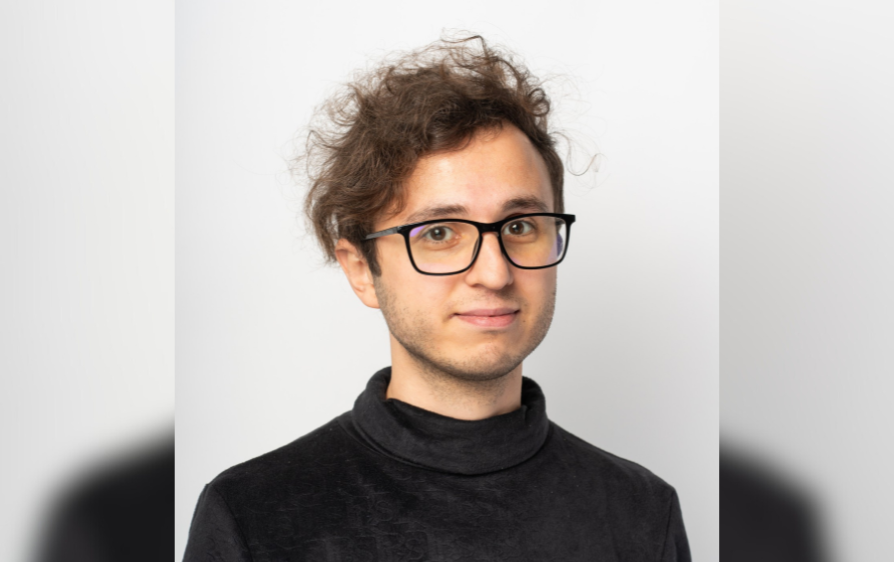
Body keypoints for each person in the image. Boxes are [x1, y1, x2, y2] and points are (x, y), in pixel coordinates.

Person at [183, 35, 691, 561]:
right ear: (362, 270)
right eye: (440, 233)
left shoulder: (642, 513)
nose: (494, 273)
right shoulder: (253, 516)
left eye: (520, 226)